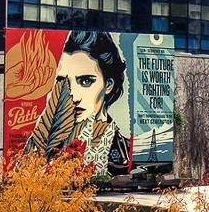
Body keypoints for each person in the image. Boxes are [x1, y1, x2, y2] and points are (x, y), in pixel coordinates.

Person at [24, 31, 130, 178]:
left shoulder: (126, 150)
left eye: (86, 81)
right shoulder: (45, 142)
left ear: (108, 85)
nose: (73, 96)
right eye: (63, 82)